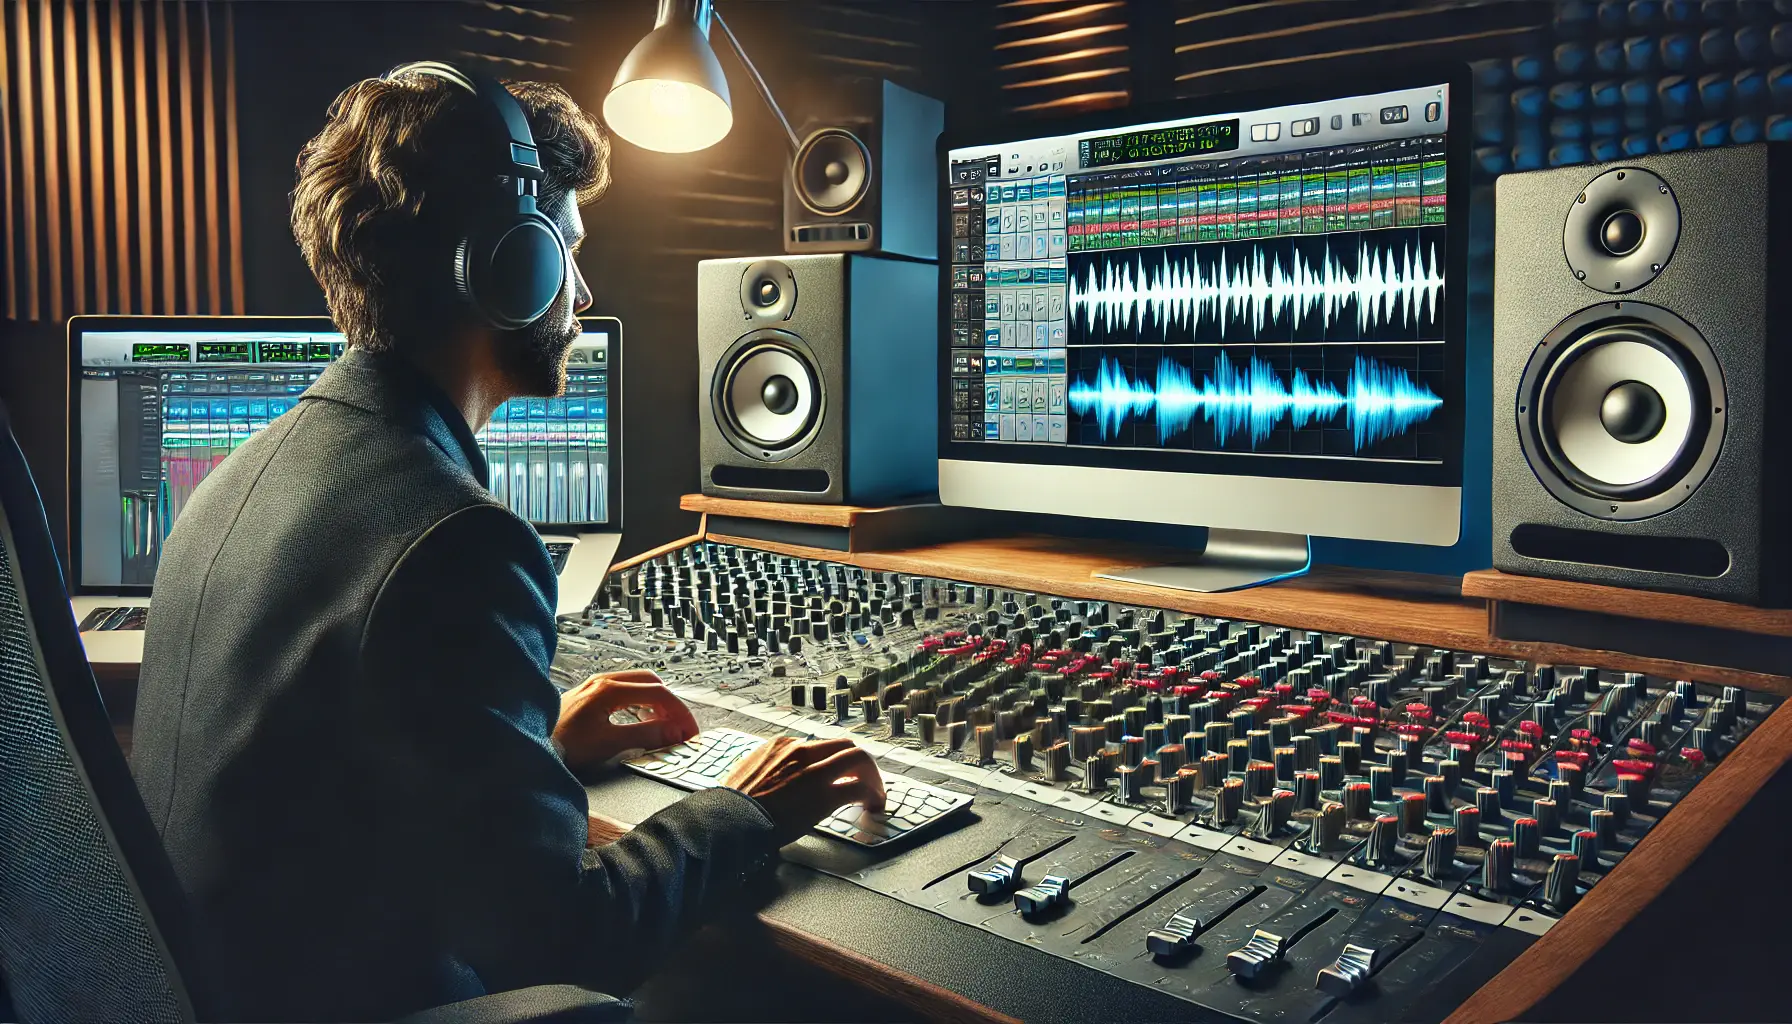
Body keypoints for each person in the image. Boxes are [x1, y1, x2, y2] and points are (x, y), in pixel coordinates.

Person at [130, 65, 884, 1023]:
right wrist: (750, 810)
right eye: (565, 250)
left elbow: (322, 792)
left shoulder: (245, 472)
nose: (583, 285)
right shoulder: (458, 541)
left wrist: (538, 749)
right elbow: (563, 941)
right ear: (507, 265)